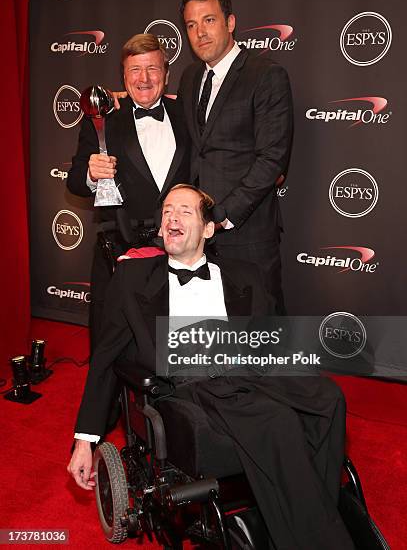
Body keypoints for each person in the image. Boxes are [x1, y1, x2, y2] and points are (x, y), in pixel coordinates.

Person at [68, 184, 354, 550]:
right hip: (195, 383)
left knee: (329, 398)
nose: (172, 217)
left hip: (250, 368)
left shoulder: (245, 274)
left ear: (207, 229)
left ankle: (315, 505)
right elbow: (106, 358)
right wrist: (85, 440)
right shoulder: (131, 280)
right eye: (168, 210)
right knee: (275, 421)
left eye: (185, 211)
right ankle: (314, 538)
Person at [67, 34, 190, 352]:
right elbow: (74, 182)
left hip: (179, 252)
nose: (144, 78)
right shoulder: (104, 118)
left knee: (176, 344)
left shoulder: (187, 115)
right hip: (121, 251)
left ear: (166, 74)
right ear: (123, 75)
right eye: (135, 69)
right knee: (113, 349)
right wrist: (92, 173)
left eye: (152, 68)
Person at [177, 0, 294, 314]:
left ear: (230, 23)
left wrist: (224, 214)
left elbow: (273, 158)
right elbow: (191, 149)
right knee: (209, 330)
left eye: (209, 20)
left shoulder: (266, 75)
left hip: (246, 231)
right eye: (191, 25)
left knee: (261, 334)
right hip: (198, 235)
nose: (200, 32)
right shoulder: (189, 78)